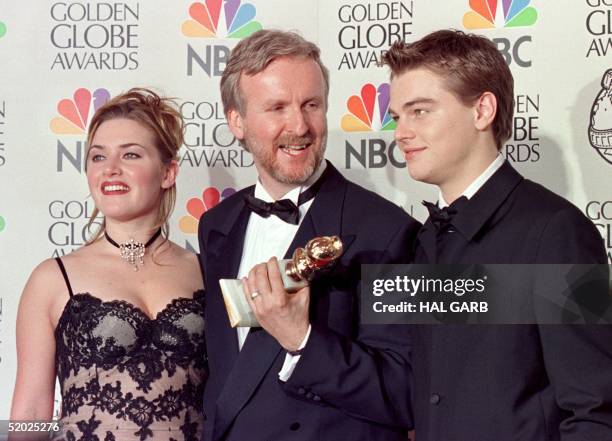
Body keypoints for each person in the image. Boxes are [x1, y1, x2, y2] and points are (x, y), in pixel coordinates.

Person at [384, 30, 612, 440]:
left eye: (420, 111)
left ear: (482, 110)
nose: (401, 133)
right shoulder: (424, 240)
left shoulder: (558, 232)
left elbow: (596, 408)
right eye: (397, 116)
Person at [198, 30, 420, 441]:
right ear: (237, 121)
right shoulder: (216, 225)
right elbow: (229, 376)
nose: (299, 126)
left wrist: (301, 339)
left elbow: (404, 391)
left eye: (311, 105)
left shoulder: (386, 232)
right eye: (277, 107)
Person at [11, 88, 206, 441]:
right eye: (98, 157)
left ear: (168, 173)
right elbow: (31, 412)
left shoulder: (205, 270)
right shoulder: (53, 279)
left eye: (130, 155)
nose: (111, 170)